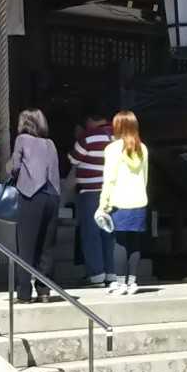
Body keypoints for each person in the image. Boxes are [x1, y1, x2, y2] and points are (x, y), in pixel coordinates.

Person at [7, 108, 60, 303]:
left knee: (26, 246)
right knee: (46, 246)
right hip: (52, 195)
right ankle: (44, 291)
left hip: (31, 194)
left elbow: (14, 167)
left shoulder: (22, 139)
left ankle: (24, 293)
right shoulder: (50, 143)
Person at [97, 110, 150, 296]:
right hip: (139, 201)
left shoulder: (112, 149)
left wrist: (103, 203)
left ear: (118, 127)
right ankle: (132, 282)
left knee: (119, 243)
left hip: (120, 202)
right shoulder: (142, 148)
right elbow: (145, 177)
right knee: (134, 243)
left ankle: (120, 283)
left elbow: (109, 179)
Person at [71, 112, 113, 287]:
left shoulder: (88, 137)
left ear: (90, 120)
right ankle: (111, 273)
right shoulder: (117, 135)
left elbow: (73, 159)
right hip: (111, 192)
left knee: (91, 233)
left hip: (90, 192)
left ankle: (96, 275)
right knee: (108, 233)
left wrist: (78, 137)